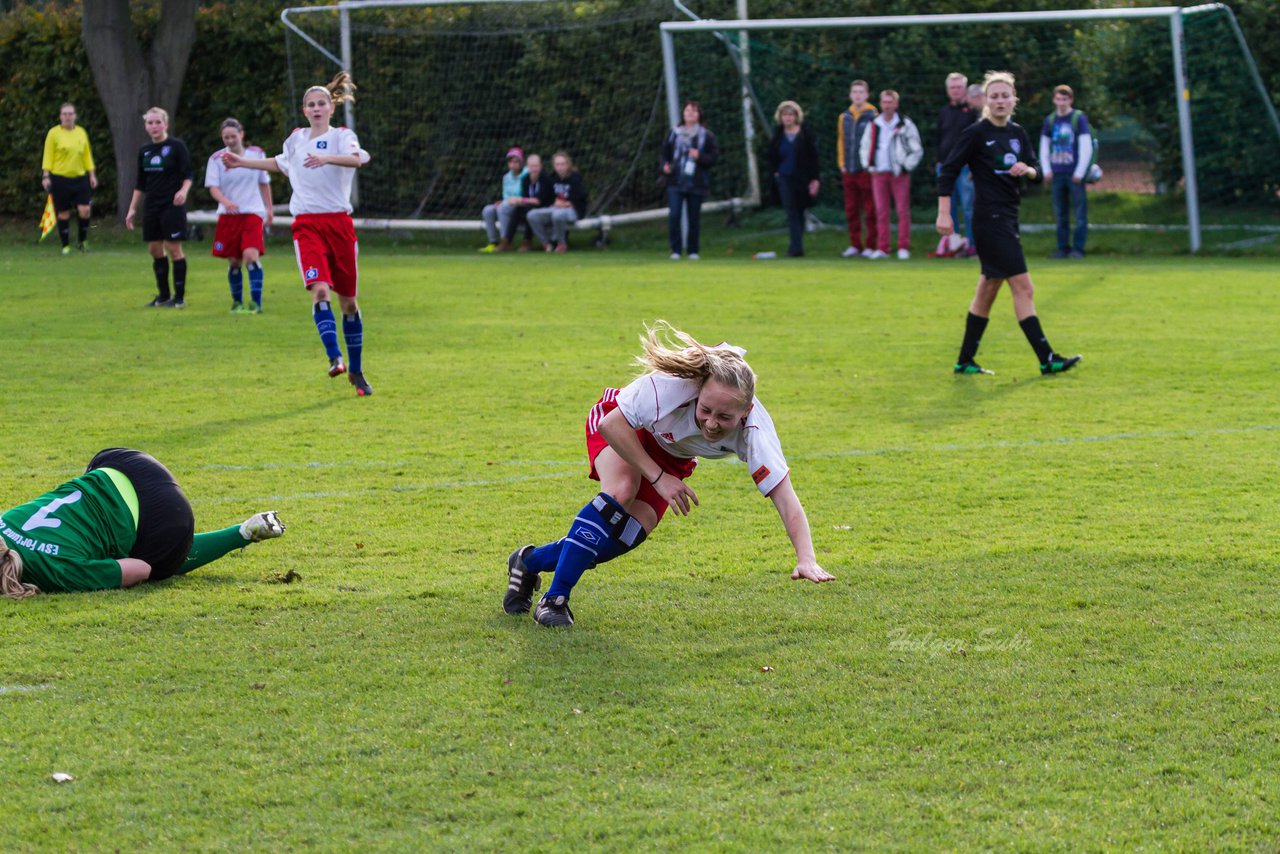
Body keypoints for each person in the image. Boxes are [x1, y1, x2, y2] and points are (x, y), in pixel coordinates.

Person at [503, 322, 835, 627]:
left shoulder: (755, 431)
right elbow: (611, 424)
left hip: (672, 458)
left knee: (627, 534)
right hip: (625, 427)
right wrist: (659, 478)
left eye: (725, 416)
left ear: (745, 411)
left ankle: (529, 562)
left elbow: (785, 496)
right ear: (698, 391)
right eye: (705, 410)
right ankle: (555, 601)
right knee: (622, 490)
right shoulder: (671, 387)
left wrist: (806, 558)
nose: (711, 423)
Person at [221, 72, 374, 397]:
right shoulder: (295, 139)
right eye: (310, 104)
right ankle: (335, 357)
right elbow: (280, 163)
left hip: (339, 224)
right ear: (304, 110)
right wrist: (242, 162)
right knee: (319, 291)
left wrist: (328, 158)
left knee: (348, 303)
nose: (316, 108)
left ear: (330, 107)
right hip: (307, 225)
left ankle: (357, 370)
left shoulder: (341, 136)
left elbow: (361, 158)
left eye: (321, 103)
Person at [937, 71, 1083, 377]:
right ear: (986, 102)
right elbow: (948, 170)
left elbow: (1037, 170)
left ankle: (964, 361)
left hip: (1008, 216)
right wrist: (944, 212)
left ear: (1014, 99)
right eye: (994, 96)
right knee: (1023, 286)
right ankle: (1047, 358)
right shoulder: (976, 133)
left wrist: (1027, 170)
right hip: (989, 219)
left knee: (988, 289)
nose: (1000, 101)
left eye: (1005, 96)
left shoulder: (1018, 134)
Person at [0, 448, 285, 598]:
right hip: (118, 461)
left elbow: (140, 569)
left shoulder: (56, 574)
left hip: (167, 515)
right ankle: (246, 530)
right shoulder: (3, 521)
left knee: (157, 564)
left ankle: (242, 533)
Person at [125, 107, 193, 308]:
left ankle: (179, 298)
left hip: (172, 205)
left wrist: (183, 191)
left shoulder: (176, 146)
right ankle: (163, 296)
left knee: (173, 247)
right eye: (150, 123)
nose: (154, 126)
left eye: (158, 122)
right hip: (152, 206)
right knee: (154, 249)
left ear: (166, 124)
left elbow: (189, 174)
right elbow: (141, 183)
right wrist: (132, 209)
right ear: (146, 126)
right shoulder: (144, 150)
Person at [205, 118, 274, 313]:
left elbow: (264, 182)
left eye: (233, 136)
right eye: (226, 137)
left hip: (252, 213)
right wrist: (225, 202)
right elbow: (213, 187)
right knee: (234, 260)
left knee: (250, 256)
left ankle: (256, 303)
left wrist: (269, 208)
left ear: (241, 134)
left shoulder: (257, 155)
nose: (230, 140)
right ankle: (237, 302)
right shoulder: (216, 159)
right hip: (229, 216)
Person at [860, 89, 922, 260]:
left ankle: (903, 246)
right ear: (880, 104)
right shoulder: (873, 124)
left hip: (899, 174)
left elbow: (916, 149)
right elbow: (864, 147)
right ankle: (883, 248)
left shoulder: (905, 124)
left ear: (896, 104)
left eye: (890, 102)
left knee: (902, 211)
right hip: (878, 173)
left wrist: (905, 166)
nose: (887, 105)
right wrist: (868, 165)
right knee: (881, 211)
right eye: (884, 102)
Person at [1039, 84, 1094, 259]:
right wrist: (1047, 169)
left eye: (1065, 99)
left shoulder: (1078, 118)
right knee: (1060, 213)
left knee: (1079, 213)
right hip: (1057, 173)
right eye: (1058, 99)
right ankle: (1062, 248)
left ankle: (1078, 248)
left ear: (1070, 100)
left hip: (1074, 174)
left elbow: (1086, 146)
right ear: (1054, 100)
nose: (1061, 103)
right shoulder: (1050, 120)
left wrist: (1079, 171)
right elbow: (1044, 147)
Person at [661, 100, 719, 260]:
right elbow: (664, 153)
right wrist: (665, 165)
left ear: (699, 115)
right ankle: (676, 250)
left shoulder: (707, 136)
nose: (690, 114)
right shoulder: (673, 133)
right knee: (674, 215)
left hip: (696, 183)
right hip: (675, 181)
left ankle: (693, 250)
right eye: (687, 111)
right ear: (683, 114)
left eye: (694, 111)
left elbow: (713, 158)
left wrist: (699, 156)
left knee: (694, 217)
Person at [41, 102, 97, 255]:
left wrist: (92, 175)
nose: (67, 117)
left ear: (75, 116)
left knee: (85, 210)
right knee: (63, 213)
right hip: (60, 179)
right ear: (60, 116)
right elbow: (48, 155)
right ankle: (65, 245)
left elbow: (87, 155)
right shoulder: (53, 133)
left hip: (80, 178)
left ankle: (82, 241)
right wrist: (46, 176)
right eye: (64, 114)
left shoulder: (81, 132)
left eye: (70, 113)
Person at [766, 101, 820, 257]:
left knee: (800, 210)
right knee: (791, 212)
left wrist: (814, 179)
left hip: (802, 178)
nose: (788, 118)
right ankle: (795, 248)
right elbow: (771, 156)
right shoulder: (778, 135)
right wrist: (775, 173)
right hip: (784, 178)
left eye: (791, 115)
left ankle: (797, 244)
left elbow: (813, 157)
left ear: (796, 116)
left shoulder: (805, 134)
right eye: (785, 115)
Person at [934, 74, 976, 255]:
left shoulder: (974, 112)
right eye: (953, 87)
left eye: (959, 87)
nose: (956, 90)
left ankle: (973, 246)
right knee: (947, 210)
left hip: (966, 167)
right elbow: (938, 137)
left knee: (969, 207)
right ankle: (953, 245)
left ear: (965, 89)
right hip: (945, 167)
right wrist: (938, 161)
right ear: (947, 91)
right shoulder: (944, 111)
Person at [837, 80, 878, 258]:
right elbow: (841, 141)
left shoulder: (873, 114)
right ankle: (855, 244)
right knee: (851, 209)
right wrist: (841, 163)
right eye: (855, 92)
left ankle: (871, 245)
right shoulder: (844, 116)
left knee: (870, 209)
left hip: (865, 170)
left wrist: (871, 164)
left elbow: (876, 142)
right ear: (850, 95)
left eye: (861, 92)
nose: (858, 95)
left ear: (867, 95)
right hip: (849, 169)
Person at [527, 151, 587, 253]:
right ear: (554, 166)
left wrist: (567, 203)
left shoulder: (575, 177)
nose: (560, 167)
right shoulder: (552, 178)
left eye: (562, 164)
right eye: (557, 164)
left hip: (572, 210)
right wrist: (555, 202)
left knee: (557, 215)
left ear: (568, 164)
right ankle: (546, 244)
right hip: (555, 208)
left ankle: (561, 244)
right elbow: (548, 197)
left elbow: (581, 197)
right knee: (532, 215)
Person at [479, 147, 526, 253]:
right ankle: (493, 242)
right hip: (508, 204)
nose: (513, 164)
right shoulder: (506, 177)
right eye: (511, 161)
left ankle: (506, 242)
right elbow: (506, 195)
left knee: (502, 208)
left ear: (521, 162)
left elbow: (525, 194)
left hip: (520, 205)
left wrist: (510, 201)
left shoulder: (526, 174)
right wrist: (504, 201)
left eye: (516, 161)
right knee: (488, 209)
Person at [507, 153, 554, 251]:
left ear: (541, 166)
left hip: (545, 208)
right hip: (531, 207)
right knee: (517, 209)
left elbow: (538, 201)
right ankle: (507, 241)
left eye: (536, 166)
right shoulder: (525, 179)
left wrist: (520, 200)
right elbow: (526, 199)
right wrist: (516, 201)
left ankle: (527, 241)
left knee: (529, 211)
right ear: (527, 167)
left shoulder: (546, 179)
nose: (534, 169)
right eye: (531, 166)